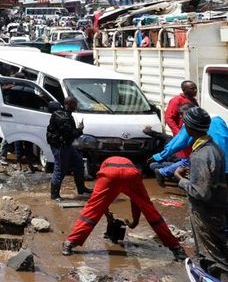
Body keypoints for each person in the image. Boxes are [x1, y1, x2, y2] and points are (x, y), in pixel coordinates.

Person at [62, 155, 184, 260]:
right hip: (132, 175)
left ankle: (70, 243)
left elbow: (100, 203)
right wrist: (134, 222)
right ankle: (176, 248)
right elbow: (136, 201)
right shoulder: (131, 167)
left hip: (109, 175)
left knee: (92, 209)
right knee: (150, 211)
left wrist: (107, 215)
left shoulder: (104, 166)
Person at [175, 107, 228, 280]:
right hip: (217, 206)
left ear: (188, 127)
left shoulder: (201, 154)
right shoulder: (213, 147)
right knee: (217, 247)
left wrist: (180, 180)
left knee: (216, 253)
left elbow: (201, 193)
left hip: (206, 211)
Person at [46, 97, 91, 200]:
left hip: (66, 145)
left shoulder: (66, 114)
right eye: (74, 104)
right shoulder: (62, 117)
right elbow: (69, 134)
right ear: (69, 104)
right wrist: (80, 130)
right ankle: (54, 194)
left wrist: (77, 130)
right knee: (60, 169)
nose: (76, 106)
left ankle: (81, 188)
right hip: (60, 146)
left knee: (79, 162)